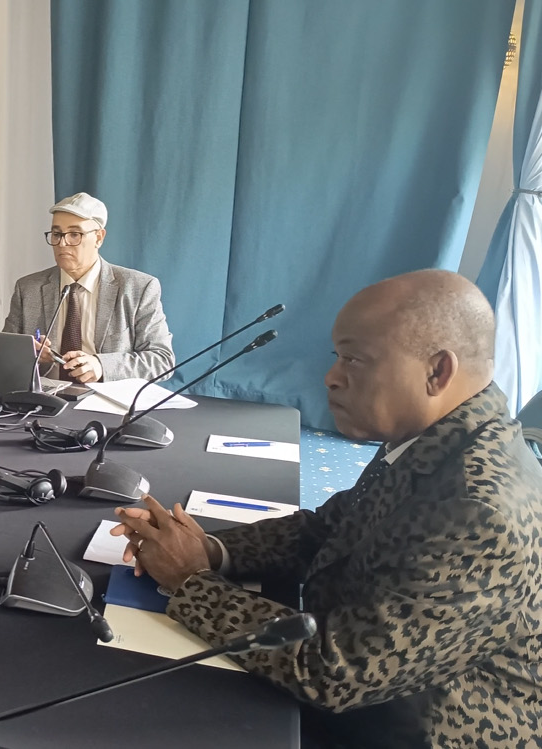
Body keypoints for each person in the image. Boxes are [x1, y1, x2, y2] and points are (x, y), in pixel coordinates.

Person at [110, 269, 542, 747]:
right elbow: (329, 529)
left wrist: (191, 581)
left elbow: (335, 671)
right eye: (337, 357)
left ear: (437, 372)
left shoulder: (477, 510)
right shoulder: (441, 436)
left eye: (354, 360)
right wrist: (209, 549)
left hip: (411, 730)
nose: (331, 378)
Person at [3, 192, 173, 383]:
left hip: (106, 398)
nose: (62, 243)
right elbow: (3, 354)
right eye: (57, 234)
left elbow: (161, 360)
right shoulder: (28, 288)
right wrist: (29, 354)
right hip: (45, 396)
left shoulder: (138, 288)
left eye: (75, 234)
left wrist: (101, 365)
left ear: (99, 237)